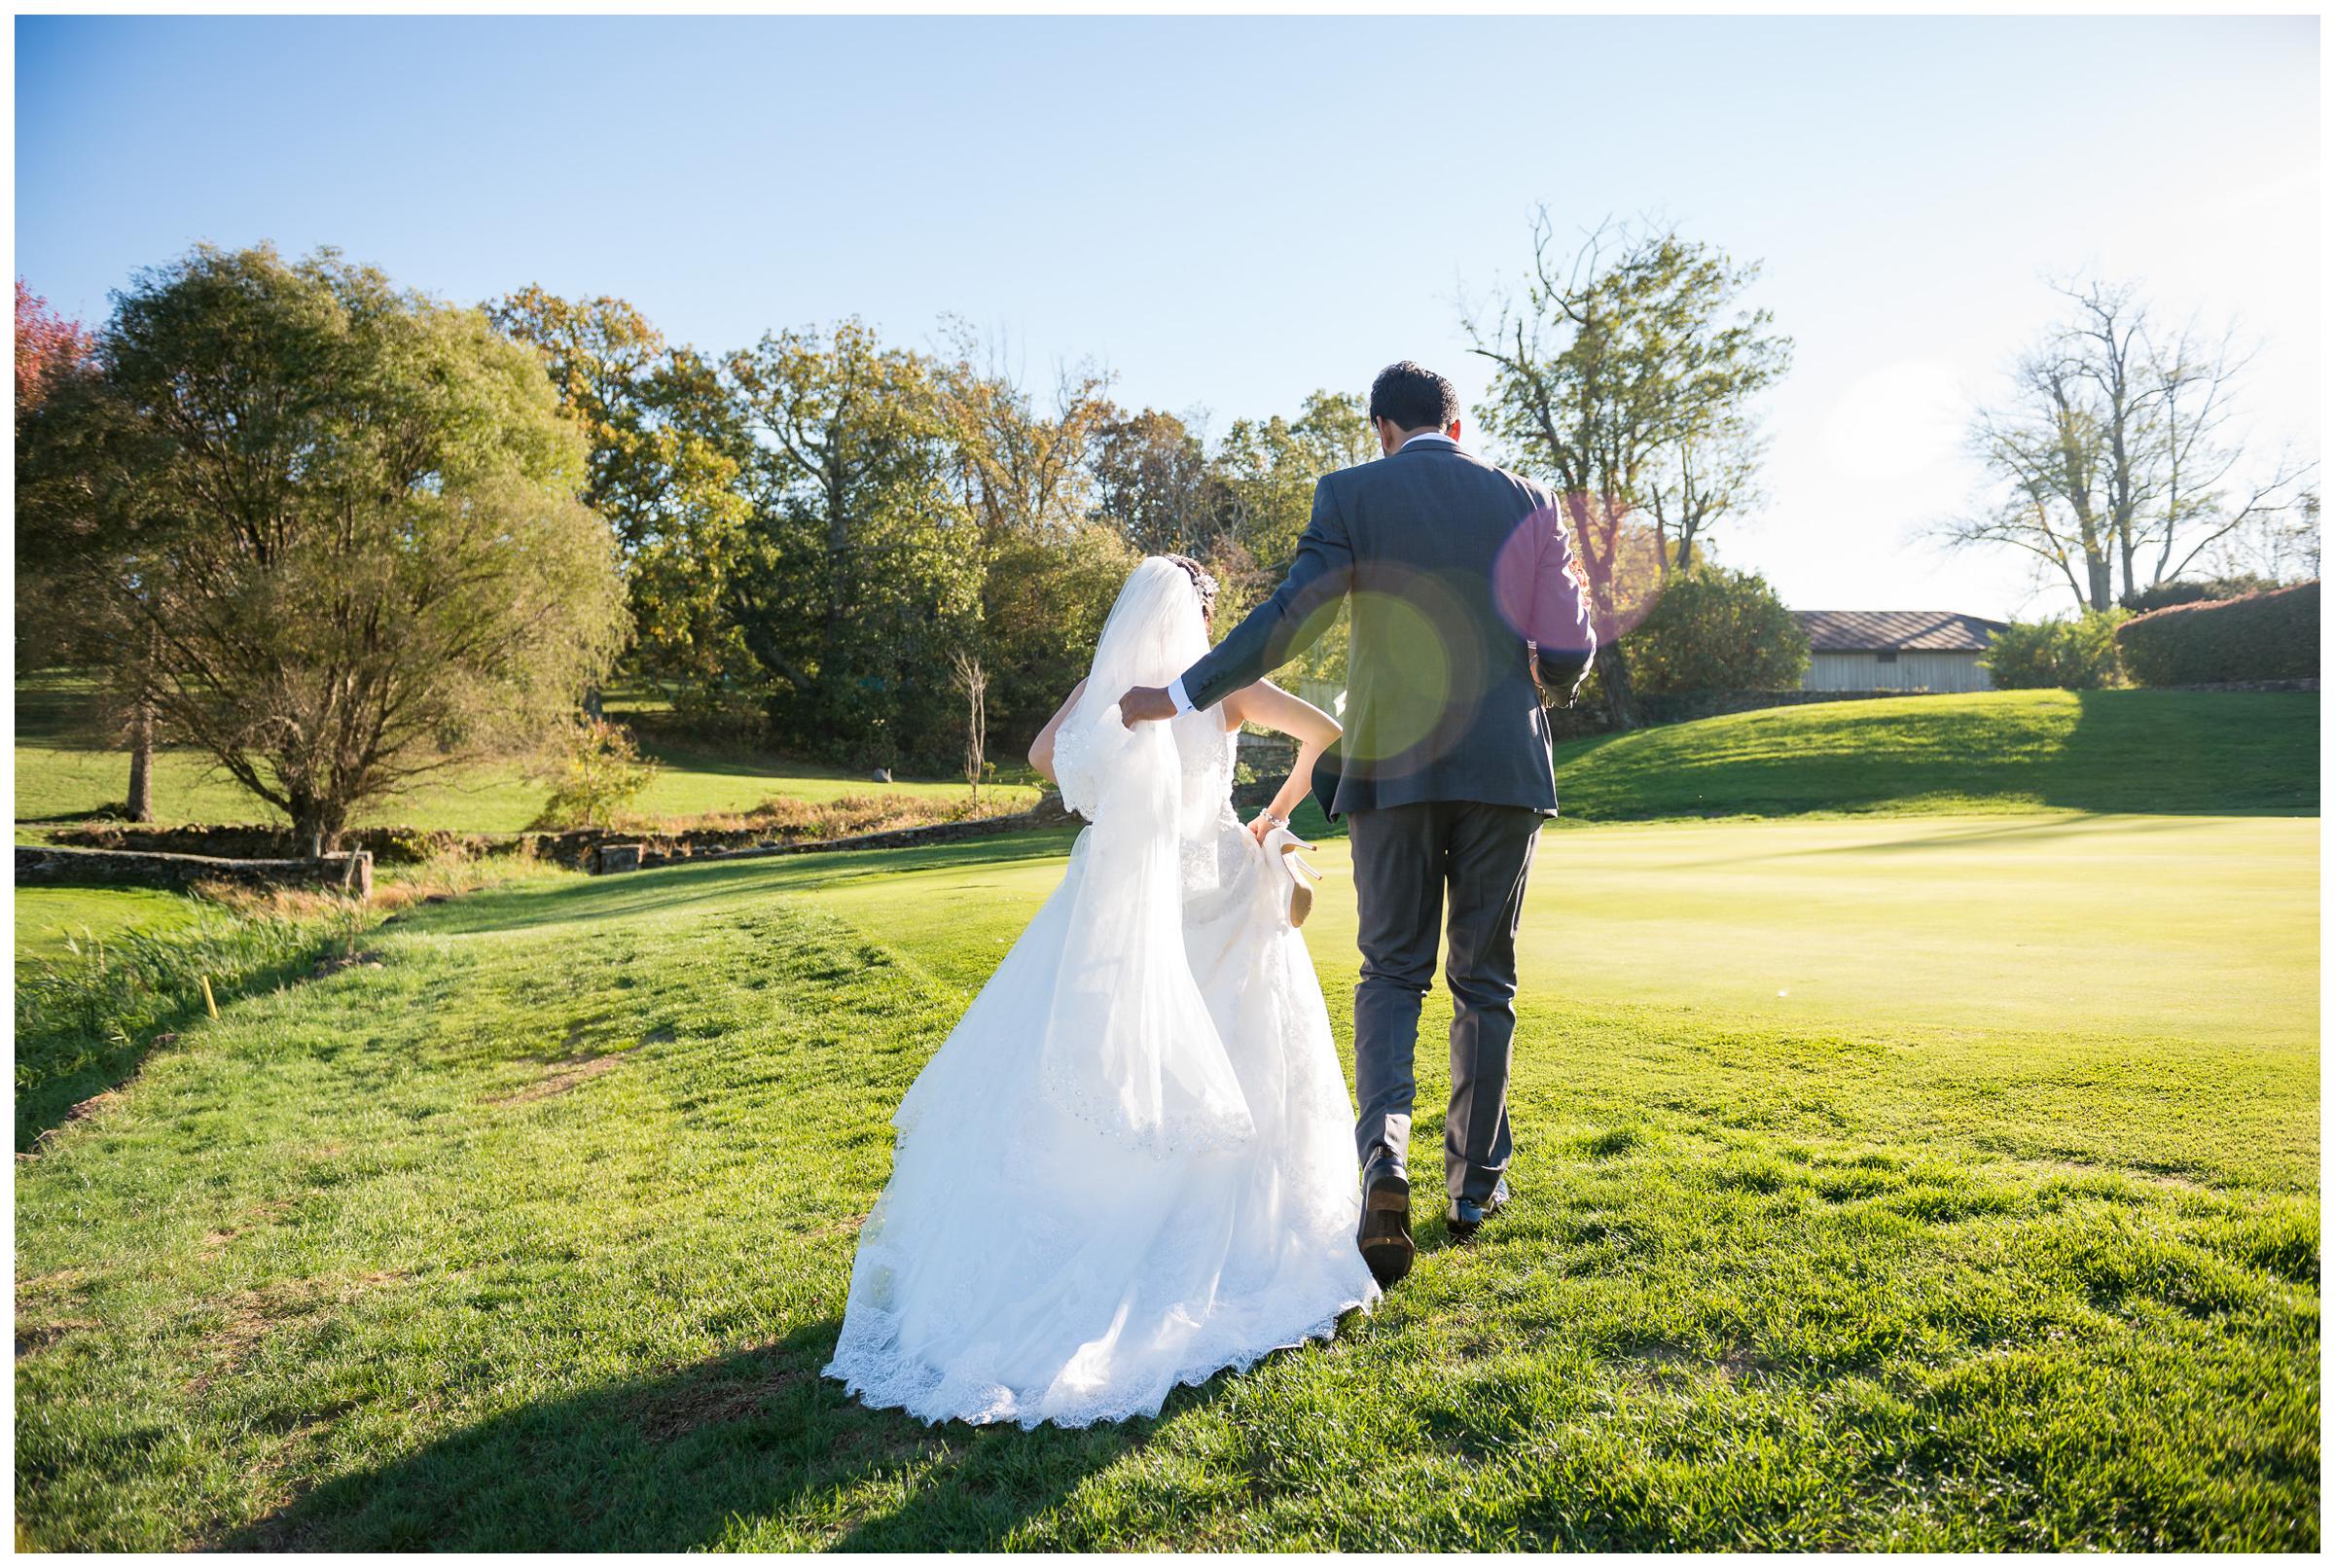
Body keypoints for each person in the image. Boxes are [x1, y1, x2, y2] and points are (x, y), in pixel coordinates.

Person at [824, 554, 1380, 1428]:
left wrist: (1104, 697)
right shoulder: (1227, 682)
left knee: (1093, 1066)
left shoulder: (1114, 682)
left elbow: (1046, 755)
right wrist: (1274, 814)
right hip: (1214, 882)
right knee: (1235, 1045)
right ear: (1204, 617)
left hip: (1125, 895)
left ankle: (1070, 1229)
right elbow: (1325, 735)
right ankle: (1225, 1236)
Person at [1119, 360, 1595, 1288]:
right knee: (1483, 978)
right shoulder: (1530, 500)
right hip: (1503, 765)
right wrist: (1552, 688)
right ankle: (1471, 1188)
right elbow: (1571, 641)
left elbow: (1286, 624)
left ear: (1383, 426)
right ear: (1455, 427)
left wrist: (1182, 690)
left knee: (1392, 970)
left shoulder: (1350, 494)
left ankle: (1384, 1159)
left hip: (1393, 763)